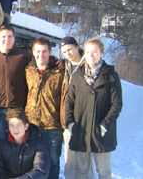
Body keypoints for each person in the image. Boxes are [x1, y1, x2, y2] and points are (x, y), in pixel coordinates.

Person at [66, 38, 123, 179]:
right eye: (88, 52)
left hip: (101, 132)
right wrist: (71, 124)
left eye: (95, 52)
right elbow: (69, 103)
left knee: (103, 171)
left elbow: (116, 104)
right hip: (81, 130)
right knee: (81, 170)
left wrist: (105, 125)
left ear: (102, 53)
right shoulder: (77, 75)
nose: (91, 55)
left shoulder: (111, 76)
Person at [25, 37, 64, 179]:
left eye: (44, 52)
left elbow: (80, 58)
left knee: (53, 161)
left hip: (53, 125)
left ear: (50, 52)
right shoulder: (28, 70)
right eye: (38, 51)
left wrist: (63, 61)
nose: (41, 55)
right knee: (31, 161)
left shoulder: (60, 71)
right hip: (32, 124)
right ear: (33, 52)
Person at [0, 25, 32, 142]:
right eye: (3, 36)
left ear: (14, 38)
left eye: (10, 36)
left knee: (19, 142)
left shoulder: (24, 57)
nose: (7, 39)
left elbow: (42, 60)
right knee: (1, 144)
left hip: (18, 109)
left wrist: (56, 61)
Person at [59, 36, 96, 179]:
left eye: (69, 49)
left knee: (86, 158)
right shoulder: (65, 66)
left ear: (76, 47)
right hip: (68, 118)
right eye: (64, 51)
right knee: (69, 157)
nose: (67, 53)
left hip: (86, 118)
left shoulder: (89, 65)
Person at [0, 108, 50, 179]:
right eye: (11, 125)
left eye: (19, 125)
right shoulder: (1, 145)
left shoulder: (38, 144)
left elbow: (41, 171)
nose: (15, 129)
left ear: (26, 126)